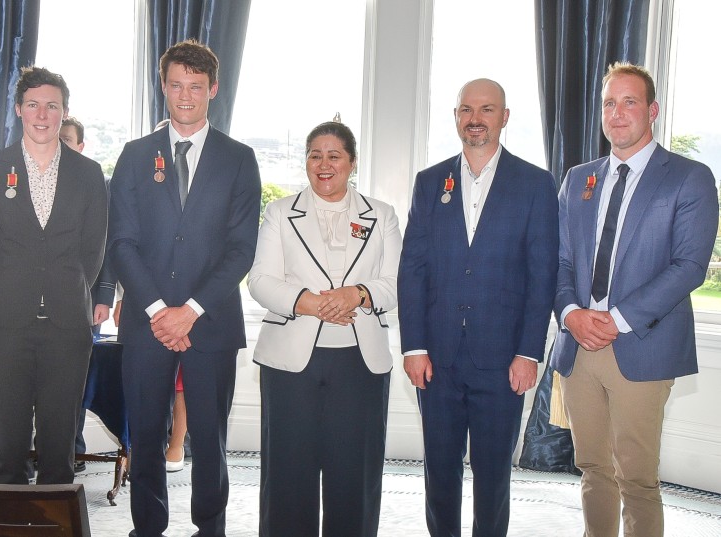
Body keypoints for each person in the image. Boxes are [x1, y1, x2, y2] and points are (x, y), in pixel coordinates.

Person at [550, 62, 719, 537]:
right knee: (593, 469)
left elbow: (688, 267)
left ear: (653, 111)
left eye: (629, 102)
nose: (617, 113)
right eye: (609, 103)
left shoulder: (689, 178)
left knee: (638, 478)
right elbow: (559, 262)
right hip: (579, 347)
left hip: (643, 346)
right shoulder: (578, 178)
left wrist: (617, 319)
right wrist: (570, 313)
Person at [108, 39, 261, 537]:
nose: (186, 95)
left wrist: (189, 310)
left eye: (196, 86)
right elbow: (122, 243)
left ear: (213, 89)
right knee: (146, 434)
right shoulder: (134, 157)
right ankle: (146, 527)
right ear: (163, 86)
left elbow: (241, 249)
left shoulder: (240, 159)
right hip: (145, 324)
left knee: (211, 438)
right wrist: (158, 310)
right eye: (176, 84)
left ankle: (210, 527)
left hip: (210, 323)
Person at [397, 78, 558, 536]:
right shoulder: (431, 183)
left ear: (504, 117)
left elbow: (541, 276)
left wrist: (529, 352)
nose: (475, 119)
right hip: (438, 361)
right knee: (439, 474)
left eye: (487, 110)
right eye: (466, 109)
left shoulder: (535, 184)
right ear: (456, 117)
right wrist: (414, 347)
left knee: (493, 478)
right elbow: (413, 269)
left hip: (504, 362)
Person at [248, 120, 401, 537]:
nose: (324, 164)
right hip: (289, 363)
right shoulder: (280, 211)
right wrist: (312, 303)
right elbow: (260, 280)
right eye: (315, 155)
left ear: (352, 162)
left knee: (355, 476)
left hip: (361, 363)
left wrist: (357, 293)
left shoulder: (382, 216)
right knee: (287, 475)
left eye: (334, 155)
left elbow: (395, 283)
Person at [0, 66, 108, 485]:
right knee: (6, 446)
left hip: (67, 327)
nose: (42, 115)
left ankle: (52, 525)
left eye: (52, 106)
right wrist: (4, 292)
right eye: (33, 105)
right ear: (18, 110)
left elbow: (93, 252)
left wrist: (63, 290)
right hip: (5, 324)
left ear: (64, 113)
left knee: (59, 446)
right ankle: (9, 527)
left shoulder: (89, 175)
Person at [59, 115, 117, 472]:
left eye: (68, 139)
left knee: (74, 379)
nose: (61, 143)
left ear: (80, 145)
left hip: (84, 300)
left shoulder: (96, 181)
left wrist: (104, 297)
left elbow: (106, 244)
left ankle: (71, 449)